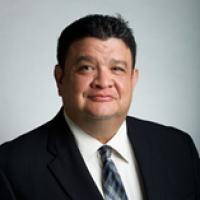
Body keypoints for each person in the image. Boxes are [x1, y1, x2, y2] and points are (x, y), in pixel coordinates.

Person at [0, 14, 199, 200]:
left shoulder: (178, 149)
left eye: (117, 69)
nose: (103, 82)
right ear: (60, 79)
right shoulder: (10, 167)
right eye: (87, 68)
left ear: (133, 79)